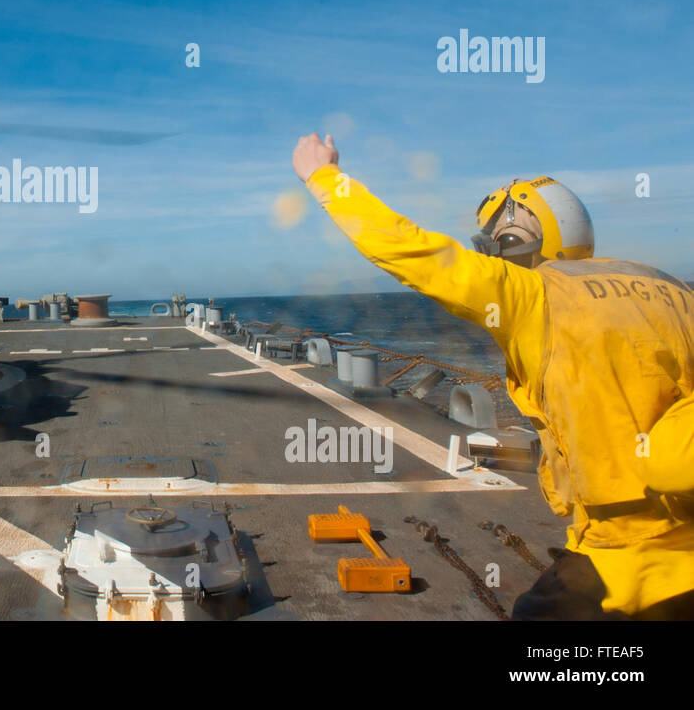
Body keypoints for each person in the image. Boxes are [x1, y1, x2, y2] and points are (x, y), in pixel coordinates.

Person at [292, 132, 694, 620]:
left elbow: (410, 252)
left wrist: (323, 176)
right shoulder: (672, 290)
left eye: (496, 243)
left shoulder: (532, 295)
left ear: (514, 242)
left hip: (625, 559)